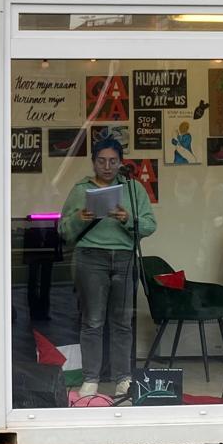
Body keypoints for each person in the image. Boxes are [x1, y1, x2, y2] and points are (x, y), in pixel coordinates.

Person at [59, 135, 157, 399]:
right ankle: (91, 379)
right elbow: (63, 230)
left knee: (123, 321)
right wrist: (81, 218)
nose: (107, 166)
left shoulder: (133, 189)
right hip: (91, 256)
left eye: (113, 161)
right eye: (101, 161)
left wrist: (127, 218)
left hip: (124, 258)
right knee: (92, 321)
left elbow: (149, 225)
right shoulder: (82, 189)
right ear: (93, 162)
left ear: (121, 163)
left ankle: (123, 378)